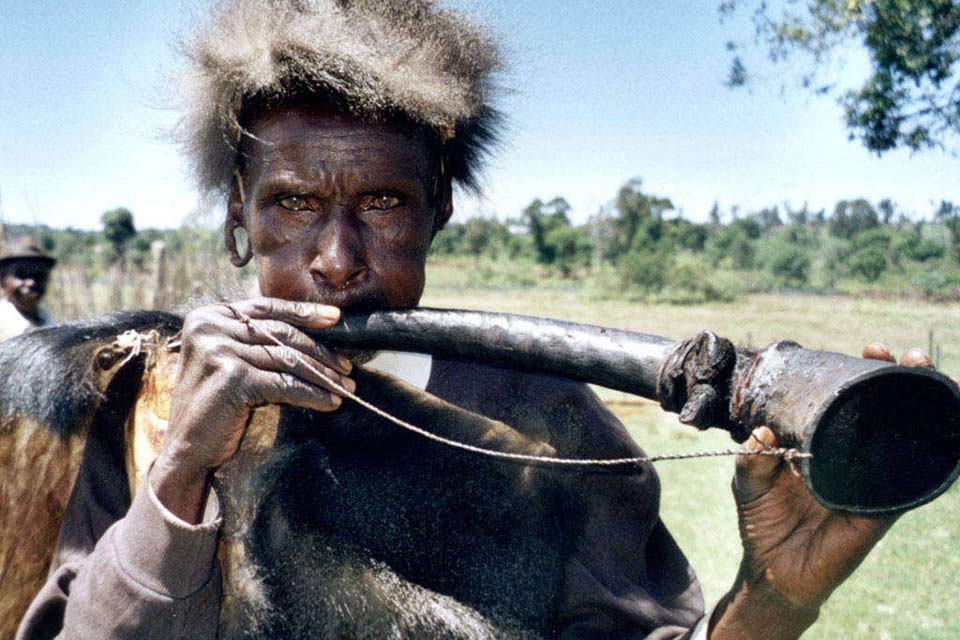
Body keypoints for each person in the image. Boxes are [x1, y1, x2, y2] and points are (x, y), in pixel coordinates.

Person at [17, 1, 901, 638]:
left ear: (438, 210)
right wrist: (183, 466)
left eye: (384, 201)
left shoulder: (545, 412)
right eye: (291, 203)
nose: (335, 257)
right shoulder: (152, 402)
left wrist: (775, 601)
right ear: (236, 220)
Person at [0, 239, 55, 341]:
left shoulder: (48, 321)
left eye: (38, 275)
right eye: (21, 275)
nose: (31, 282)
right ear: (2, 281)